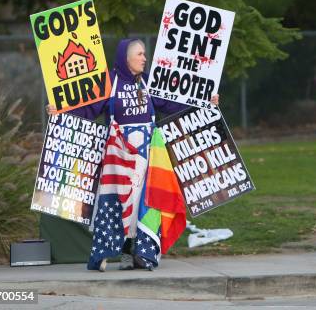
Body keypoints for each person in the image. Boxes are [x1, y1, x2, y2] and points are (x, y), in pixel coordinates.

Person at [47, 38, 219, 271]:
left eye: (144, 54)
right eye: (139, 54)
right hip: (117, 157)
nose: (144, 58)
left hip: (147, 156)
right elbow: (87, 108)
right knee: (116, 203)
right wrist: (61, 110)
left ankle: (143, 255)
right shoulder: (108, 82)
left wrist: (204, 102)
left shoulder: (149, 82)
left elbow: (173, 104)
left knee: (146, 205)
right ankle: (112, 254)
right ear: (125, 58)